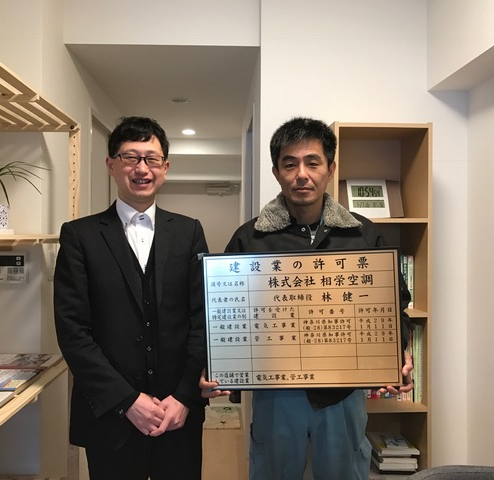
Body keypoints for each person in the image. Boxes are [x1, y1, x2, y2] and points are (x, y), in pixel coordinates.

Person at [200, 117, 414, 480]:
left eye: (312, 163)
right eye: (290, 164)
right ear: (276, 172)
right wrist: (216, 364)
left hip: (343, 392)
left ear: (330, 168)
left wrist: (399, 353)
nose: (302, 174)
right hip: (276, 393)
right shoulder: (250, 238)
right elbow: (222, 313)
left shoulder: (363, 235)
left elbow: (396, 306)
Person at [54, 116, 209, 480]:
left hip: (177, 414)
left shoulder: (188, 231)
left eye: (151, 159)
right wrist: (127, 401)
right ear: (111, 164)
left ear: (165, 168)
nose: (142, 168)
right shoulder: (79, 236)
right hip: (110, 416)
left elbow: (202, 317)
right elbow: (73, 330)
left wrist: (185, 396)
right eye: (130, 157)